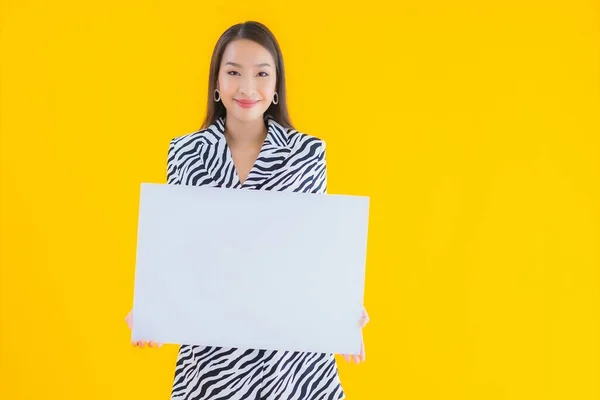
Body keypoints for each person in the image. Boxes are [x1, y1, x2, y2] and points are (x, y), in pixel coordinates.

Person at [124, 20, 370, 400]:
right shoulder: (186, 152)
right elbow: (178, 251)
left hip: (292, 365)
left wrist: (343, 310)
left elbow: (313, 254)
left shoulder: (307, 154)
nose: (247, 87)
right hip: (211, 363)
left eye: (261, 73)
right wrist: (151, 307)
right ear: (217, 81)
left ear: (276, 86)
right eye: (234, 72)